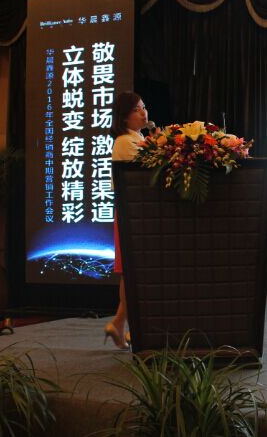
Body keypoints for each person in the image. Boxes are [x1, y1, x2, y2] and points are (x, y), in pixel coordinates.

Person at [104, 91, 148, 349]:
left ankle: (122, 325)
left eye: (144, 107)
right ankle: (125, 326)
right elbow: (143, 174)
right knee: (132, 272)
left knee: (133, 273)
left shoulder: (138, 138)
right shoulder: (124, 142)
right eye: (136, 109)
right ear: (124, 117)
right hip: (131, 213)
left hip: (139, 212)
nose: (143, 112)